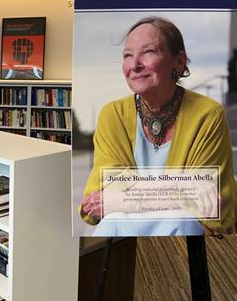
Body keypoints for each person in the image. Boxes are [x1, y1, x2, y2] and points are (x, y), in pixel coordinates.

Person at [79, 16, 237, 235]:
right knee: (111, 222)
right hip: (128, 229)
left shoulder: (207, 115)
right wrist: (181, 187)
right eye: (127, 55)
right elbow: (99, 193)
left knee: (182, 221)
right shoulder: (112, 115)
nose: (134, 65)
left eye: (149, 52)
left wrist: (122, 198)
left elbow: (209, 205)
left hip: (188, 235)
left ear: (179, 61)